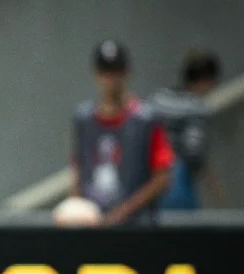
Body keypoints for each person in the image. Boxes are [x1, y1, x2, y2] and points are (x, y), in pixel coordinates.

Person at [71, 40, 174, 225]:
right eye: (105, 71)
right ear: (96, 74)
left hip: (136, 227)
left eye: (116, 71)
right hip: (94, 222)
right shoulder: (85, 120)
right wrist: (78, 208)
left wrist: (122, 212)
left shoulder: (146, 120)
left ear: (127, 72)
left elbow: (162, 178)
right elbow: (78, 168)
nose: (111, 78)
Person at [152, 48, 223, 210]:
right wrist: (212, 182)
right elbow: (193, 150)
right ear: (206, 80)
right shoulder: (197, 108)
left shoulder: (160, 98)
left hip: (152, 175)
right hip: (178, 178)